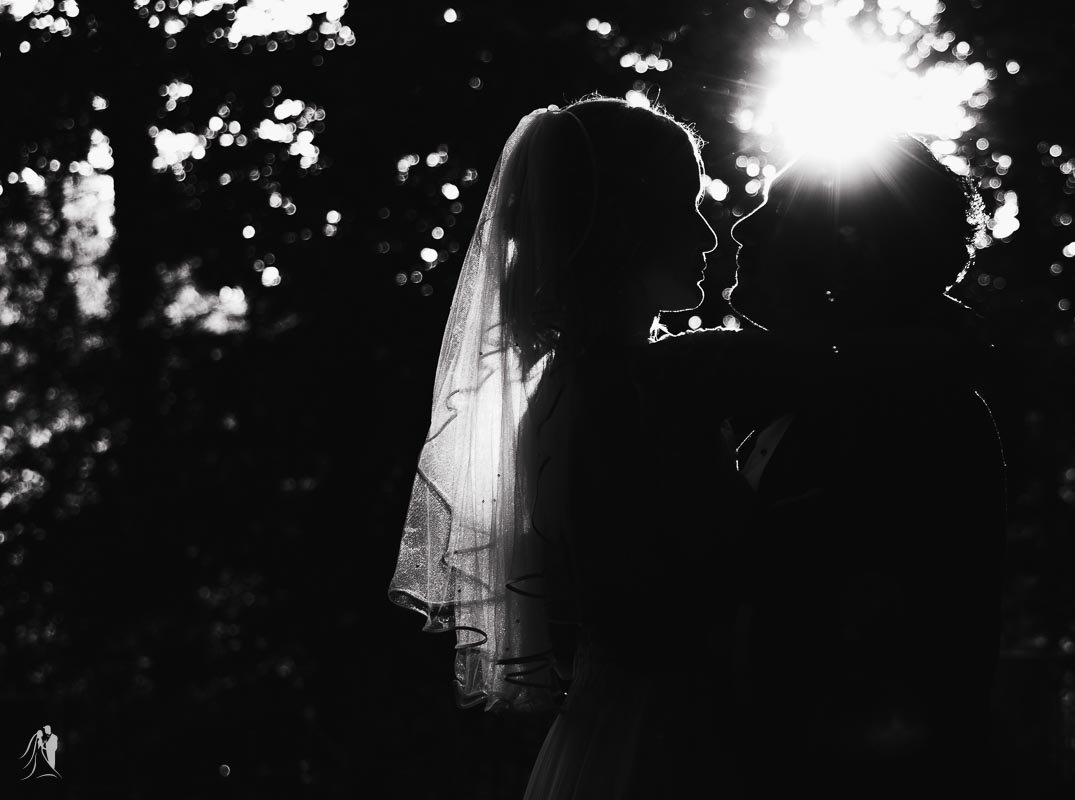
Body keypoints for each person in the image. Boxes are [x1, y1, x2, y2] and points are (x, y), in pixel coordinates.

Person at [386, 95, 746, 798]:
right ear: (621, 223)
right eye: (686, 206)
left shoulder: (584, 384)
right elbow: (643, 609)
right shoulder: (626, 391)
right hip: (665, 744)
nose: (708, 239)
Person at [724, 135, 1008, 797]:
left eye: (780, 209)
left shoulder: (916, 413)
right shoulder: (812, 393)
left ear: (855, 252)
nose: (742, 227)